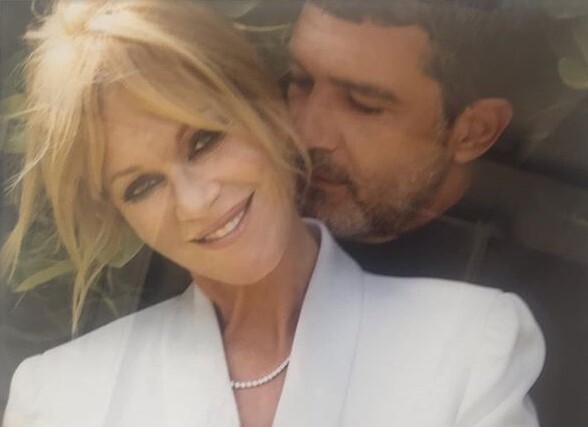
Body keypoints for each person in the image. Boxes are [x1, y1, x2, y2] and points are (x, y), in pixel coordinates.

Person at [2, 1, 544, 426]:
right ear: (121, 214)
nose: (194, 202)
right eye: (141, 185)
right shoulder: (58, 396)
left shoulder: (470, 342)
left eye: (204, 142)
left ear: (265, 113)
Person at [286, 1, 588, 426]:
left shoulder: (559, 327)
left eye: (363, 104)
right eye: (299, 81)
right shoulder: (238, 227)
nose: (305, 132)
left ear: (473, 132)